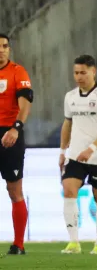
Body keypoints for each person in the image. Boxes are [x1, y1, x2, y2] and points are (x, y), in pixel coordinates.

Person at [59, 55, 97, 255]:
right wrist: (62, 151)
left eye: (83, 72)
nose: (79, 77)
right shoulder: (70, 97)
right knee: (68, 190)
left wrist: (91, 149)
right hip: (75, 155)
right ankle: (73, 242)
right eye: (76, 72)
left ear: (93, 71)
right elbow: (67, 124)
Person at [0, 33, 34, 255]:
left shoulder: (17, 72)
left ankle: (19, 244)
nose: (1, 50)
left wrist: (16, 128)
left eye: (5, 46)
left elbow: (25, 102)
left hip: (9, 135)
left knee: (15, 190)